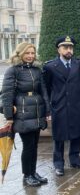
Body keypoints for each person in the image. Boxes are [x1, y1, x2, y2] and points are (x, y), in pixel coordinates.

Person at [1, 42, 50, 186]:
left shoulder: (36, 70)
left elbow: (44, 92)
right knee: (28, 146)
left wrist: (47, 110)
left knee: (34, 145)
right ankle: (27, 175)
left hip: (36, 112)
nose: (30, 56)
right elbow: (7, 94)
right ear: (20, 53)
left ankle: (33, 172)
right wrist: (9, 116)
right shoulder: (13, 71)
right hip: (22, 114)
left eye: (32, 53)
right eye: (27, 53)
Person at [43, 36, 80, 176]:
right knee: (59, 136)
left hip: (76, 104)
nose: (69, 50)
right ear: (59, 49)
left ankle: (75, 159)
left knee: (76, 134)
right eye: (65, 47)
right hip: (60, 105)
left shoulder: (78, 64)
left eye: (71, 47)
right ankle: (59, 164)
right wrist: (50, 104)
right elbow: (47, 87)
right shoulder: (50, 66)